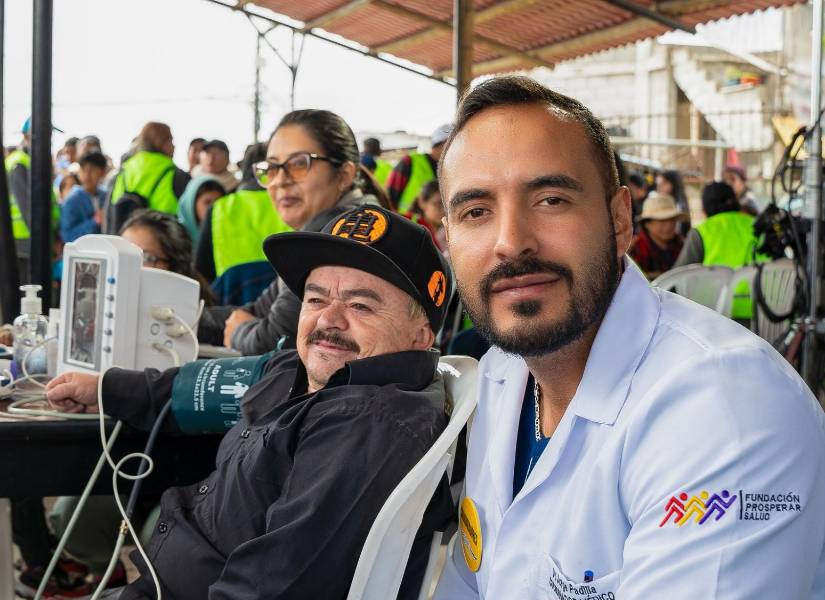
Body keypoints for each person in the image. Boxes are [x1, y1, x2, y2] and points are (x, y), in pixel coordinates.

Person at [432, 75, 825, 599]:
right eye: (476, 212)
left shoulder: (725, 410)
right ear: (449, 237)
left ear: (620, 220)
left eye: (550, 199)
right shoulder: (502, 375)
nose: (511, 242)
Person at [46, 206, 454, 599]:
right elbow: (199, 387)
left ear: (420, 335)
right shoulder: (296, 367)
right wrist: (105, 389)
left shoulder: (368, 425)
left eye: (360, 305)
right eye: (315, 299)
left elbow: (269, 589)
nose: (328, 319)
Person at [198, 109, 390, 354]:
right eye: (272, 167)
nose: (280, 180)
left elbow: (277, 342)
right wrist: (179, 316)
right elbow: (260, 311)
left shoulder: (344, 237)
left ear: (344, 174)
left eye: (299, 164)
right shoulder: (321, 232)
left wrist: (239, 332)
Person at [193, 142, 290, 306]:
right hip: (286, 302)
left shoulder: (219, 208)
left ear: (245, 169)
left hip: (230, 306)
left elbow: (202, 269)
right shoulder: (290, 205)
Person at [673, 180, 763, 320]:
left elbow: (676, 277)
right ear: (736, 203)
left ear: (704, 209)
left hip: (716, 318)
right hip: (764, 316)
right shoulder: (759, 227)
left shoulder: (702, 232)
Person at [105, 122, 190, 232]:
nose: (174, 146)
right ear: (161, 142)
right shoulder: (176, 175)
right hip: (162, 239)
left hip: (124, 239)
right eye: (171, 140)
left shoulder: (122, 172)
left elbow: (108, 216)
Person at [386, 124, 451, 213]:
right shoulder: (410, 161)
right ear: (444, 143)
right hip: (405, 219)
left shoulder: (449, 168)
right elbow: (389, 196)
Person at [627, 191, 686, 279]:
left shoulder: (682, 244)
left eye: (672, 220)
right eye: (662, 221)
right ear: (647, 224)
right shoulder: (635, 248)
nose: (669, 225)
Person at [60, 152, 108, 243]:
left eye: (92, 170)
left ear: (102, 172)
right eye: (83, 170)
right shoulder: (72, 200)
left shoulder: (106, 196)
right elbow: (67, 236)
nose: (87, 175)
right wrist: (94, 221)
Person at [176, 176, 225, 245]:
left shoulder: (227, 233)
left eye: (218, 202)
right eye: (207, 202)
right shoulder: (177, 239)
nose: (213, 208)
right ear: (192, 204)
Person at [406, 179, 446, 252]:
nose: (444, 210)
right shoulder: (411, 228)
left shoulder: (448, 232)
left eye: (446, 205)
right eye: (438, 204)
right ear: (422, 203)